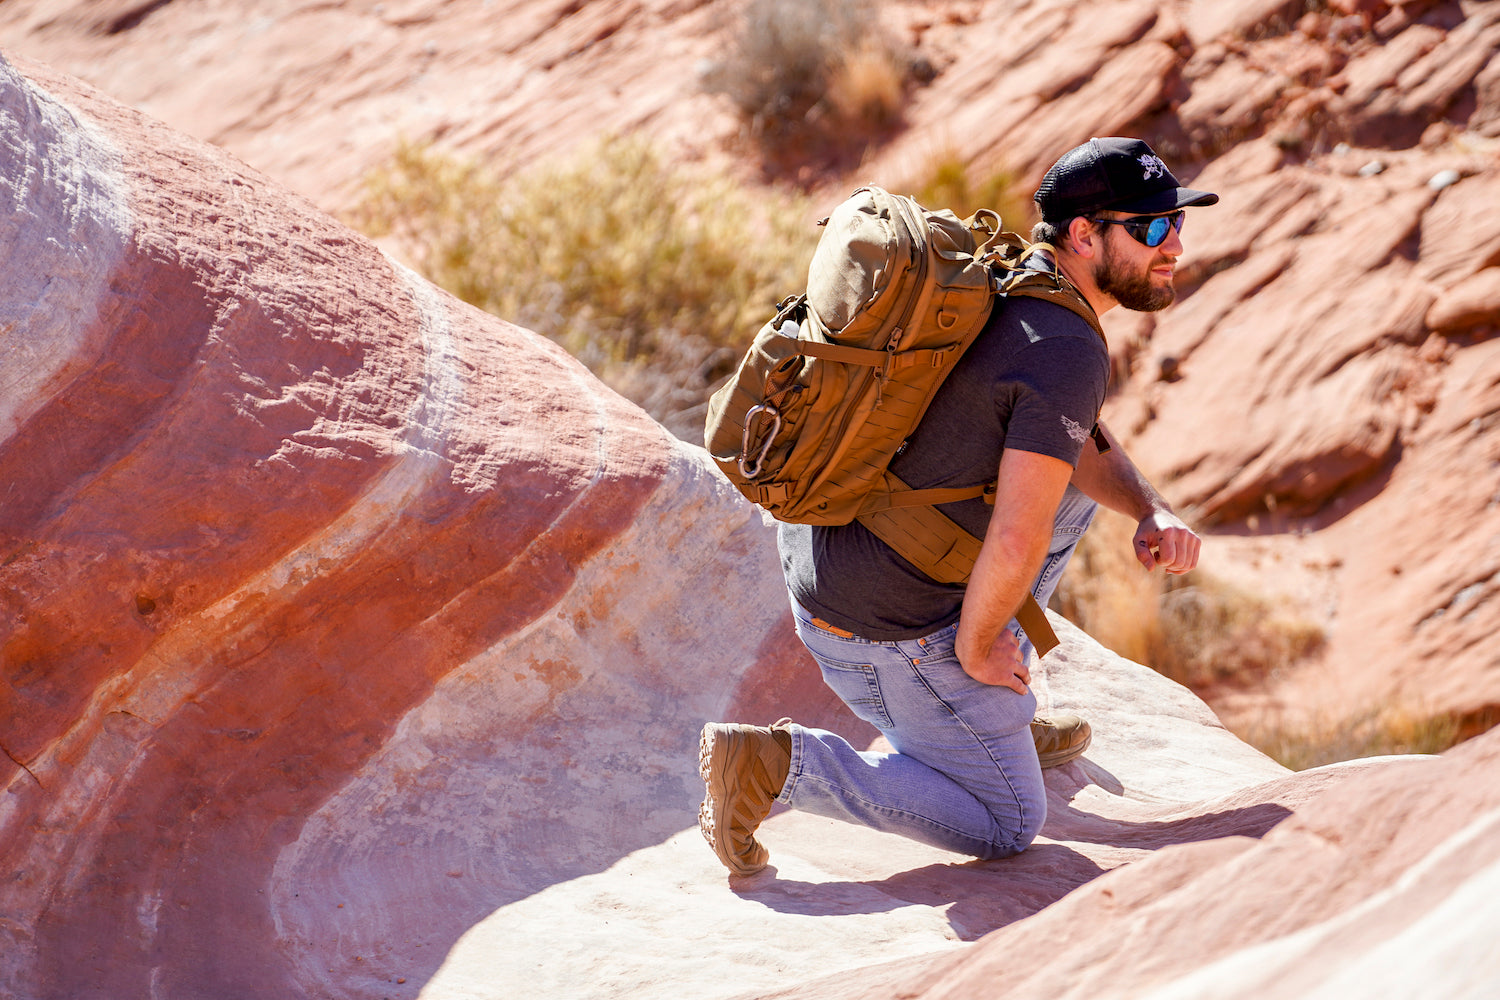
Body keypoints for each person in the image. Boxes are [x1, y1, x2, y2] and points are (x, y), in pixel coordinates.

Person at [699, 137, 1214, 877]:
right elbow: (1017, 535)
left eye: (1177, 225)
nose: (1174, 247)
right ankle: (777, 766)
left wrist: (1149, 509)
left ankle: (988, 718)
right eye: (1153, 229)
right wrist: (976, 650)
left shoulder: (1010, 276)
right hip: (875, 633)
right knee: (1008, 820)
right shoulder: (1068, 347)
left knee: (1067, 485)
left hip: (827, 557)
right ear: (1085, 235)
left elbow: (1076, 444)